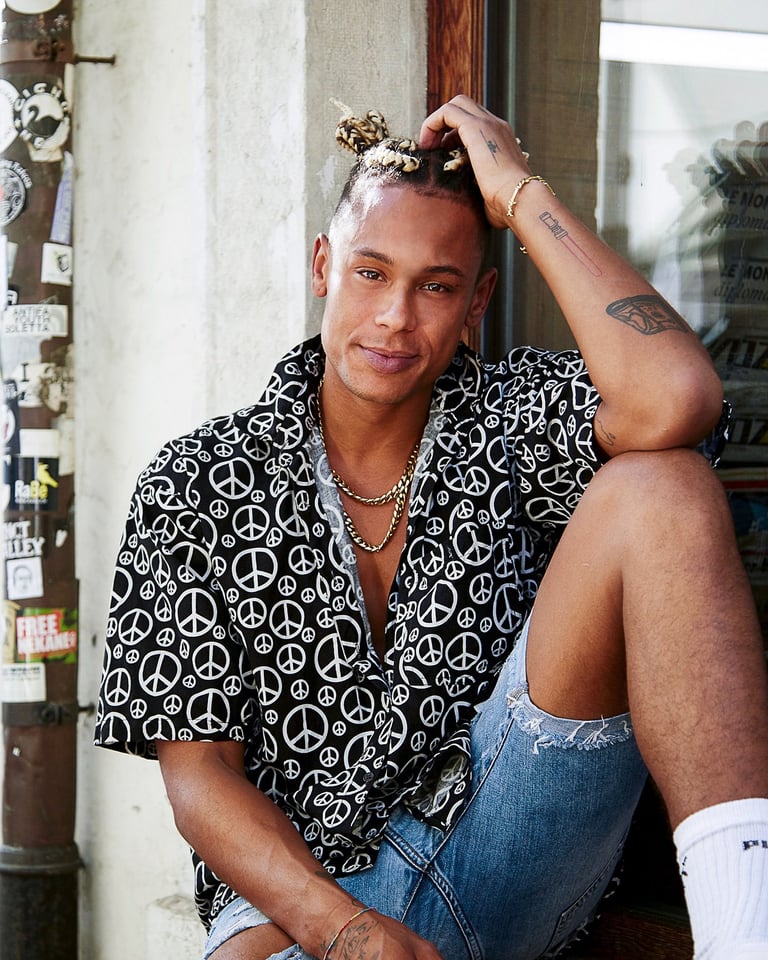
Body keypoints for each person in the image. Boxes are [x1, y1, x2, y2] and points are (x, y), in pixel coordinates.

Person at [94, 96, 768, 960]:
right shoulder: (197, 479)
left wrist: (517, 188)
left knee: (664, 486)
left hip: (507, 835)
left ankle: (744, 937)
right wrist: (346, 930)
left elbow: (677, 398)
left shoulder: (510, 418)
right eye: (371, 272)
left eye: (436, 285)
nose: (395, 317)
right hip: (300, 895)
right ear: (322, 264)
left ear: (478, 299)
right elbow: (198, 776)